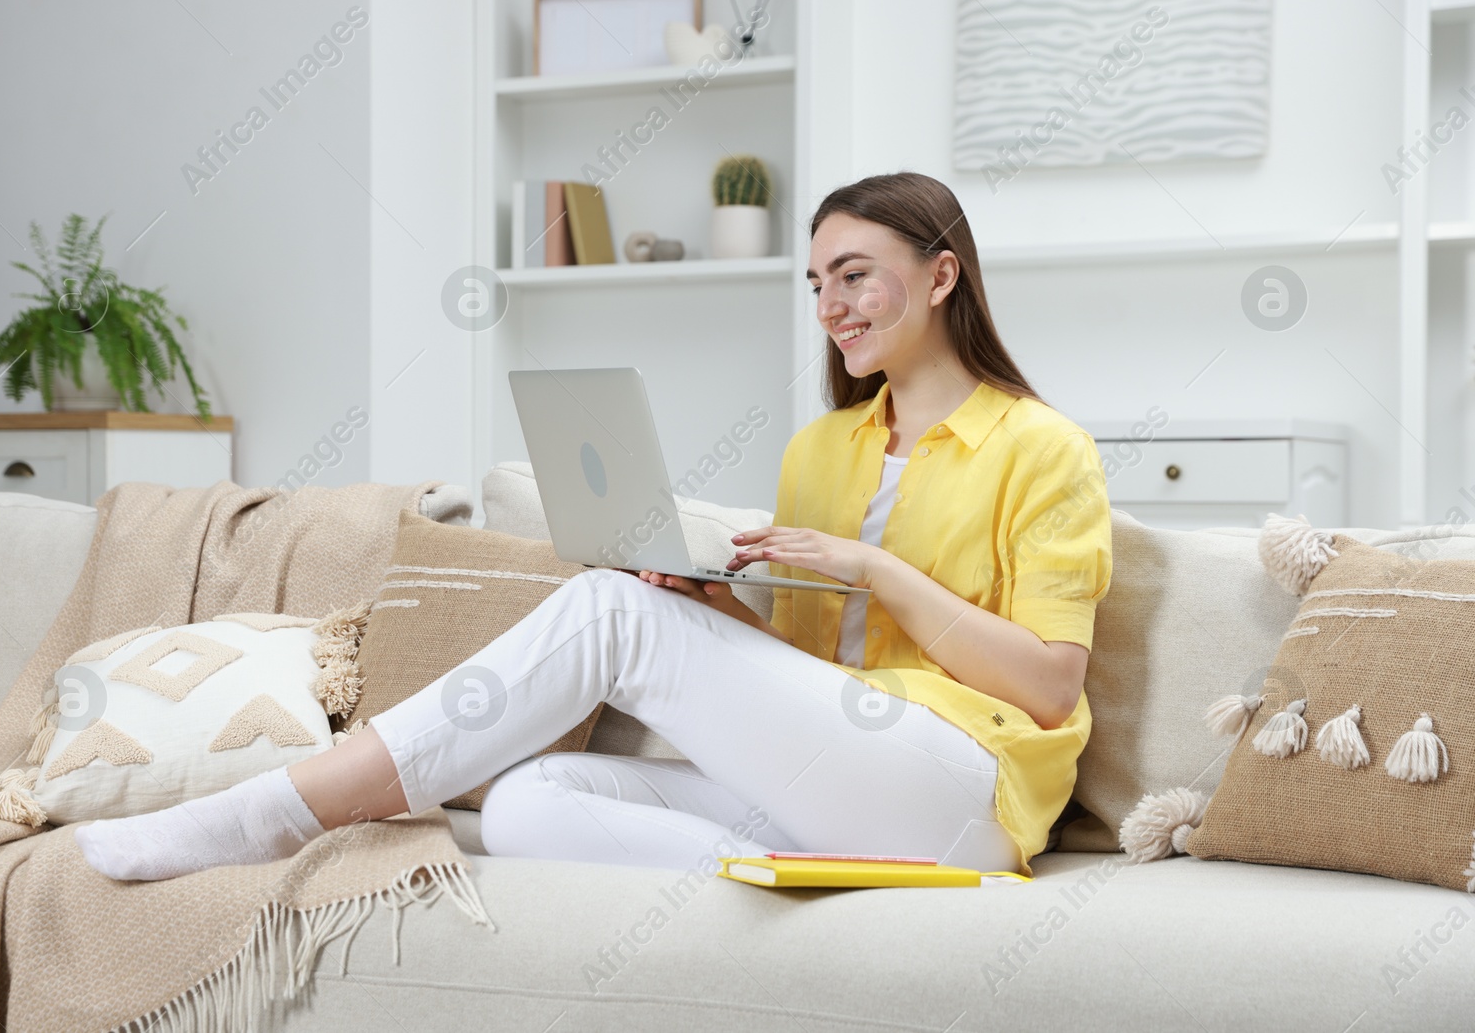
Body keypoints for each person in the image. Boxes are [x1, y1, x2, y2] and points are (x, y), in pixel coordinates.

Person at [75, 171, 1112, 882]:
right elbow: (798, 677)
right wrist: (701, 604)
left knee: (608, 612)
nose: (830, 304)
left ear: (940, 275)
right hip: (837, 785)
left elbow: (1048, 681)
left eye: (853, 274)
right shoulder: (823, 451)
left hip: (960, 789)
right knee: (530, 800)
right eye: (815, 283)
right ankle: (839, 884)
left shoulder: (1043, 447)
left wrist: (877, 569)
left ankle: (275, 808)